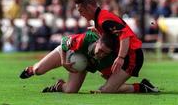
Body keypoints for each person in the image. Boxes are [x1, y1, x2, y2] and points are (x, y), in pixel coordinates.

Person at [20, 30, 159, 93]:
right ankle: (32, 69)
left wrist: (109, 79)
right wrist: (63, 62)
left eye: (105, 53)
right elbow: (64, 42)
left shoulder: (108, 59)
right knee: (39, 71)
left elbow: (109, 76)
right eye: (100, 50)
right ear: (98, 42)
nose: (101, 54)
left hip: (80, 64)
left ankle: (58, 86)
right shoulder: (86, 39)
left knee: (70, 91)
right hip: (69, 51)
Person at [74, 0, 159, 93]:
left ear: (88, 7)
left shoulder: (103, 19)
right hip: (126, 53)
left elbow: (125, 36)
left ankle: (143, 87)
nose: (80, 14)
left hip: (132, 55)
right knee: (104, 89)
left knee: (106, 91)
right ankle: (121, 85)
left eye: (81, 10)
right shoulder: (100, 18)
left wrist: (120, 57)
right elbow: (114, 37)